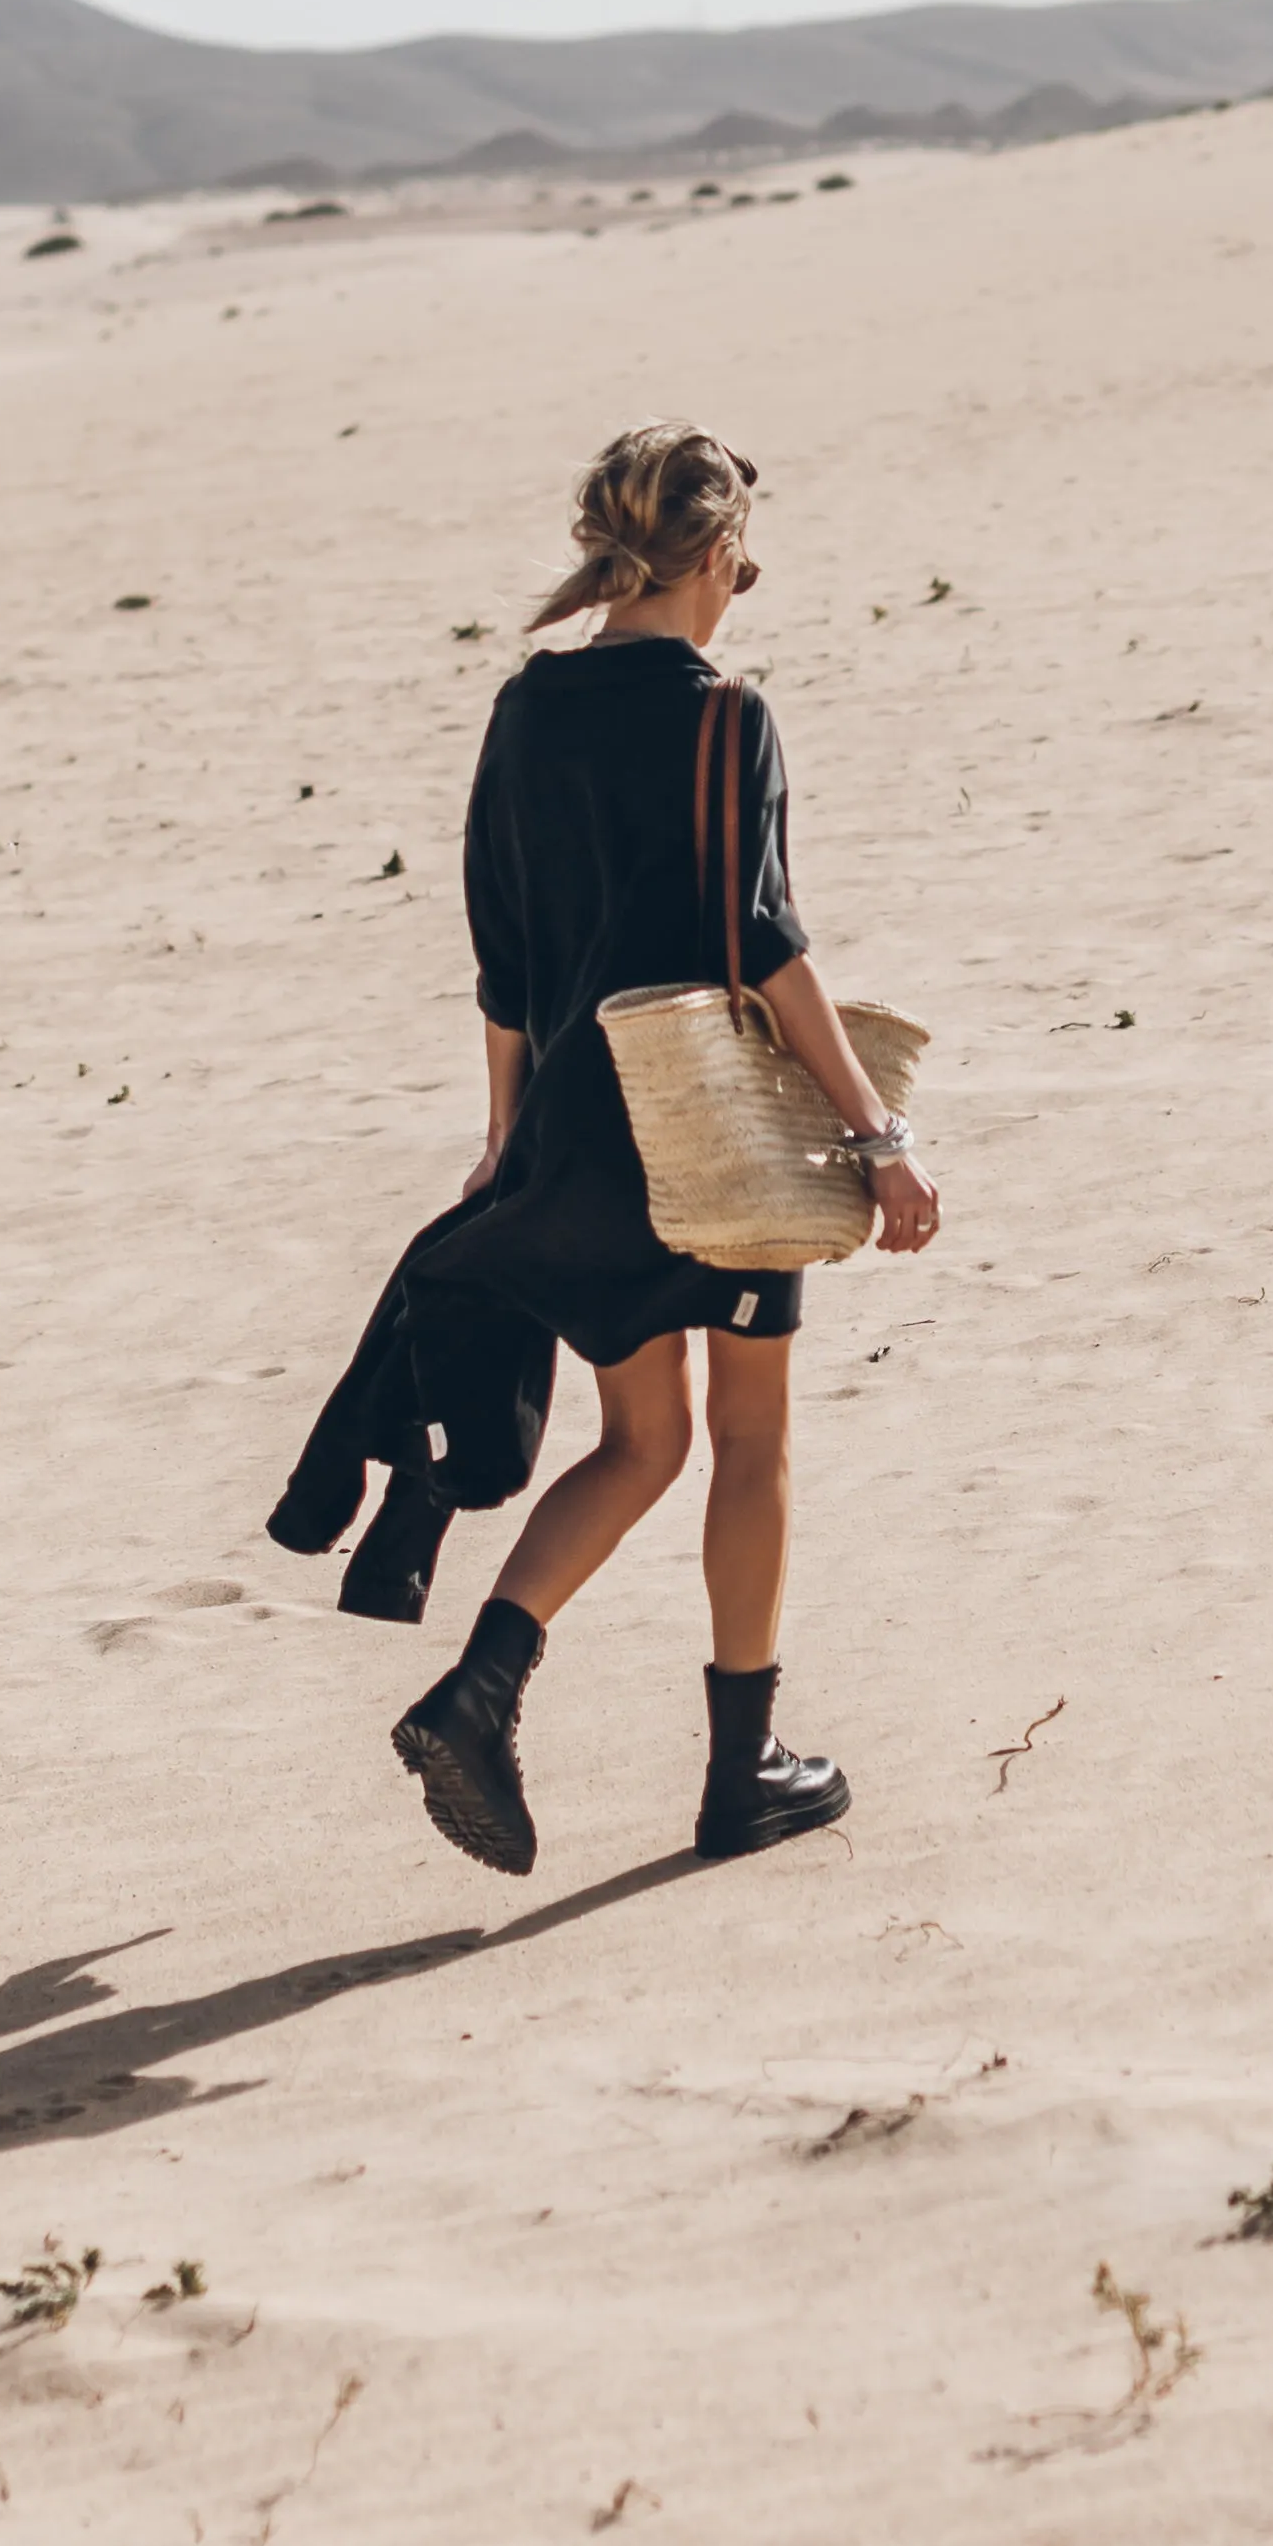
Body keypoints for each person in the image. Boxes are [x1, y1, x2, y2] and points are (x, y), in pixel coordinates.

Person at [384, 427, 939, 1876]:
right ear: (711, 557)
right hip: (706, 1139)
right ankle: (741, 1769)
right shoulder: (724, 716)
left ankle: (480, 1684)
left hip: (572, 1136)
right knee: (746, 1438)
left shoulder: (524, 710)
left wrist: (503, 1138)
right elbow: (764, 947)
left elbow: (502, 956)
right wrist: (878, 1137)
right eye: (742, 559)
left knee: (641, 1441)